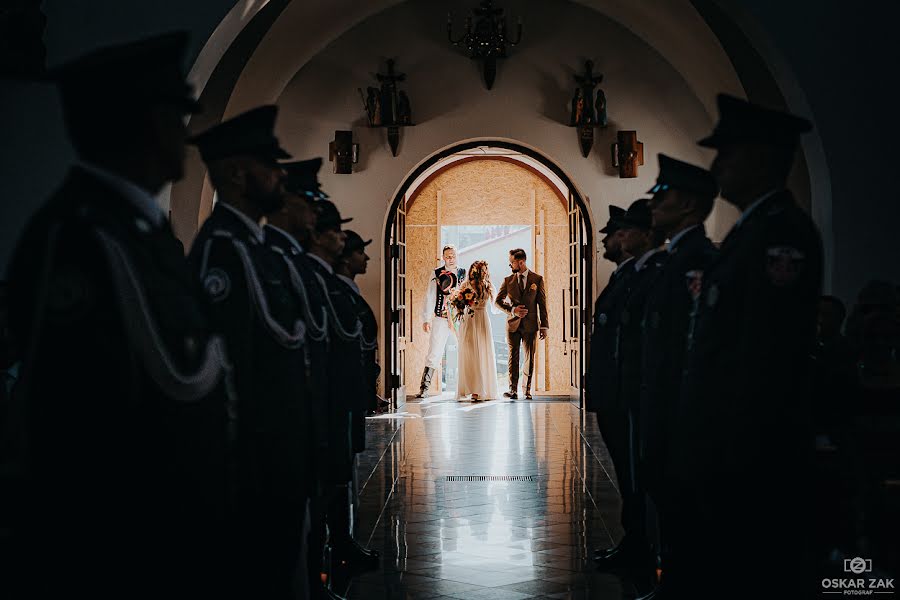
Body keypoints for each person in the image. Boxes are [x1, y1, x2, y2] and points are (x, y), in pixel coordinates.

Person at [5, 32, 231, 599]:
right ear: (146, 124)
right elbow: (75, 411)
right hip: (124, 531)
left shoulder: (139, 230)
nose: (186, 134)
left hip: (171, 515)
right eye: (176, 117)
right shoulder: (80, 235)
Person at [676, 94, 822, 599]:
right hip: (731, 435)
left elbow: (765, 349)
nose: (717, 168)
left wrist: (729, 441)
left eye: (727, 155)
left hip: (750, 440)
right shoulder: (752, 229)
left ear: (759, 158)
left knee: (754, 569)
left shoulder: (780, 232)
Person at [188, 104, 314, 599]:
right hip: (255, 454)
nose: (280, 176)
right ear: (239, 174)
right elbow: (230, 360)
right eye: (269, 166)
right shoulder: (225, 248)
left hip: (279, 446)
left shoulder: (255, 247)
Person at [636, 154, 718, 598]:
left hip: (679, 405)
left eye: (661, 196)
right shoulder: (676, 256)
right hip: (662, 400)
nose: (653, 205)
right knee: (667, 500)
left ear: (687, 204)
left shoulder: (696, 258)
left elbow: (691, 339)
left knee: (683, 507)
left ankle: (685, 586)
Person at [593, 198, 666, 577]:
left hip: (631, 394)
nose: (609, 242)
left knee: (639, 477)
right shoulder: (626, 275)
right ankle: (635, 542)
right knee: (628, 474)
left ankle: (644, 548)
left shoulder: (652, 274)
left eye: (616, 234)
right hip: (617, 393)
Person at [335, 230, 386, 415]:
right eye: (360, 252)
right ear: (346, 259)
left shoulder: (349, 294)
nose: (367, 257)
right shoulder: (337, 294)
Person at [495, 249, 549, 399]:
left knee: (529, 357)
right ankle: (513, 390)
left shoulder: (537, 279)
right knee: (513, 357)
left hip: (531, 325)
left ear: (521, 262)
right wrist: (512, 310)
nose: (510, 265)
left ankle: (527, 390)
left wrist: (544, 326)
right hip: (512, 325)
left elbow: (542, 304)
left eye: (512, 262)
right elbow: (497, 302)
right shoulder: (508, 280)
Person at [416, 245, 466, 398]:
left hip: (459, 318)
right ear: (443, 257)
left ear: (457, 256)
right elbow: (430, 295)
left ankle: (465, 388)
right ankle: (424, 388)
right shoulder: (436, 273)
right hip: (440, 317)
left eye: (453, 256)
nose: (450, 259)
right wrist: (426, 318)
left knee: (464, 350)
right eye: (447, 256)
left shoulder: (463, 273)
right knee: (434, 351)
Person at [455, 260, 500, 401]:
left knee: (483, 352)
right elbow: (458, 304)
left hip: (483, 320)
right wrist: (460, 305)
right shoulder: (465, 285)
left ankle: (483, 389)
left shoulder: (488, 286)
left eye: (485, 270)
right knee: (470, 354)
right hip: (469, 319)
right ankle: (472, 389)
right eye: (481, 270)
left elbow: (496, 305)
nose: (484, 273)